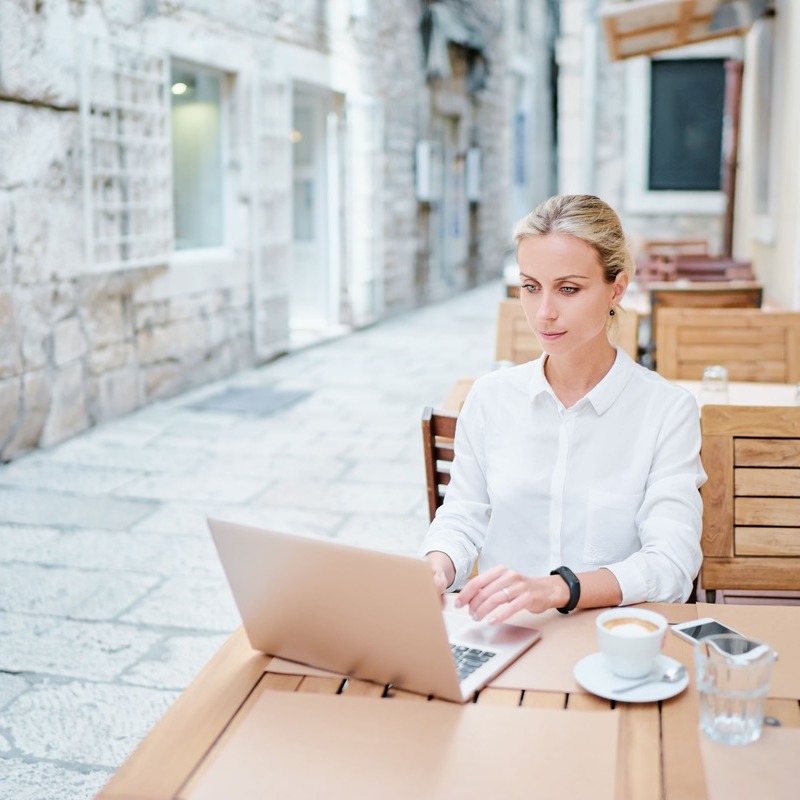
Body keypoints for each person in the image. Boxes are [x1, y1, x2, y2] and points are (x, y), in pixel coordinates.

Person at [420, 194, 706, 624]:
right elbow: (462, 516)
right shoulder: (490, 398)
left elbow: (672, 564)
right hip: (501, 630)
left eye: (568, 289)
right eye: (530, 288)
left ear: (617, 289)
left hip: (610, 636)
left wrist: (558, 589)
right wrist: (436, 566)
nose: (544, 313)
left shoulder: (666, 411)